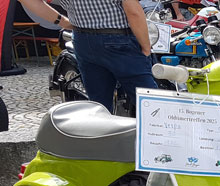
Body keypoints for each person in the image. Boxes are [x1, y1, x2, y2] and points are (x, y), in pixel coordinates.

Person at [22, 0, 157, 112]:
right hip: (119, 39)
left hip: (83, 40)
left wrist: (62, 21)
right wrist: (146, 46)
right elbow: (133, 11)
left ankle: (102, 134)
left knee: (99, 104)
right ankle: (157, 134)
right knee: (150, 102)